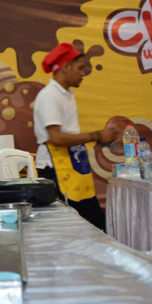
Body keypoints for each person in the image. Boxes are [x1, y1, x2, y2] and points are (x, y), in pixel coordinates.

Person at [33, 42, 117, 232]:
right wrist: (96, 135)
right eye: (80, 68)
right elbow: (56, 138)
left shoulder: (67, 95)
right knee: (71, 229)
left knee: (93, 226)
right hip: (55, 170)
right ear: (65, 67)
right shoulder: (49, 96)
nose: (83, 73)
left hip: (74, 166)